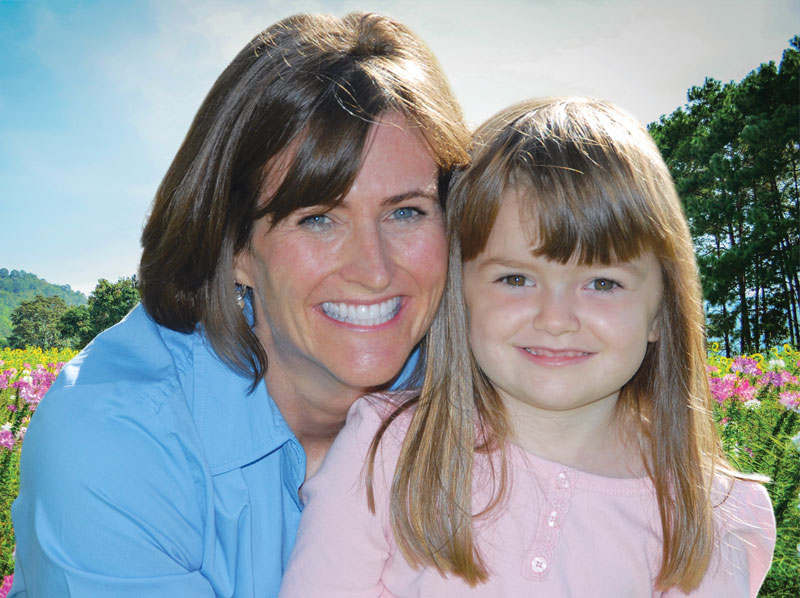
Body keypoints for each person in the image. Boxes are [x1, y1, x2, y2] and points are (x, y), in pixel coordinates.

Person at [10, 12, 469, 597]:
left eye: (406, 211)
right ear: (234, 248)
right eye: (318, 219)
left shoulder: (499, 397)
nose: (374, 270)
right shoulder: (113, 445)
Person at [279, 97, 777, 596]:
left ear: (661, 309)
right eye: (515, 278)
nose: (555, 319)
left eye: (603, 283)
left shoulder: (716, 515)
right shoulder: (388, 451)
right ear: (461, 290)